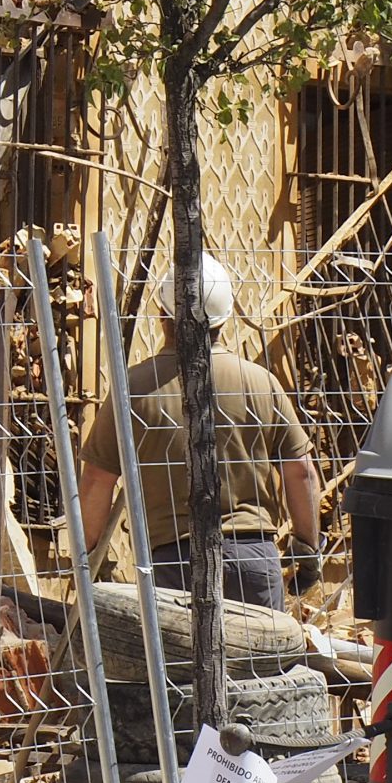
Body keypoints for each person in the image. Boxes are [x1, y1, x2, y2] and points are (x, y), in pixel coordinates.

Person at [77, 252, 323, 610]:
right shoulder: (260, 383)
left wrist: (83, 560)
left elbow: (97, 481)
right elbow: (302, 473)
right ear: (225, 319)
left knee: (180, 667)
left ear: (163, 316)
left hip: (174, 563)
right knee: (260, 665)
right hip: (252, 561)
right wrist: (307, 551)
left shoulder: (133, 388)